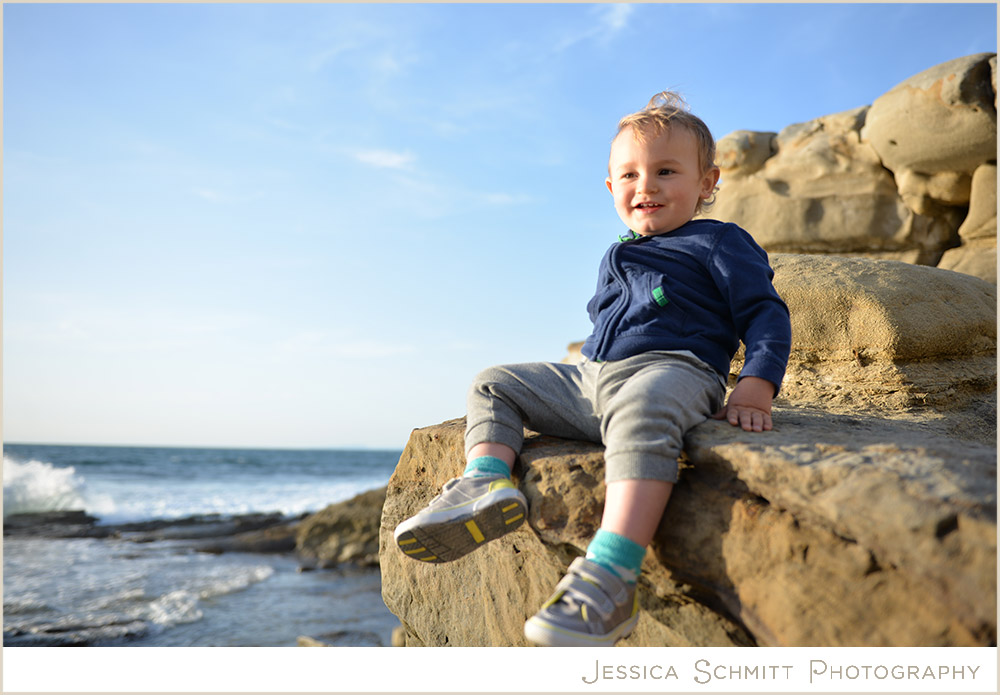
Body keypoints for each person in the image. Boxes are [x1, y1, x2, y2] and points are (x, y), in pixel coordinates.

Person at [393, 91, 792, 647]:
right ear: (611, 188)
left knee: (644, 411)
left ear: (707, 183)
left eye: (666, 171)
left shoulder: (718, 241)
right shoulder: (616, 252)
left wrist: (756, 384)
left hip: (674, 370)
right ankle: (487, 484)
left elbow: (765, 312)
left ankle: (610, 578)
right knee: (493, 382)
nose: (645, 186)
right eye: (629, 174)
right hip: (592, 380)